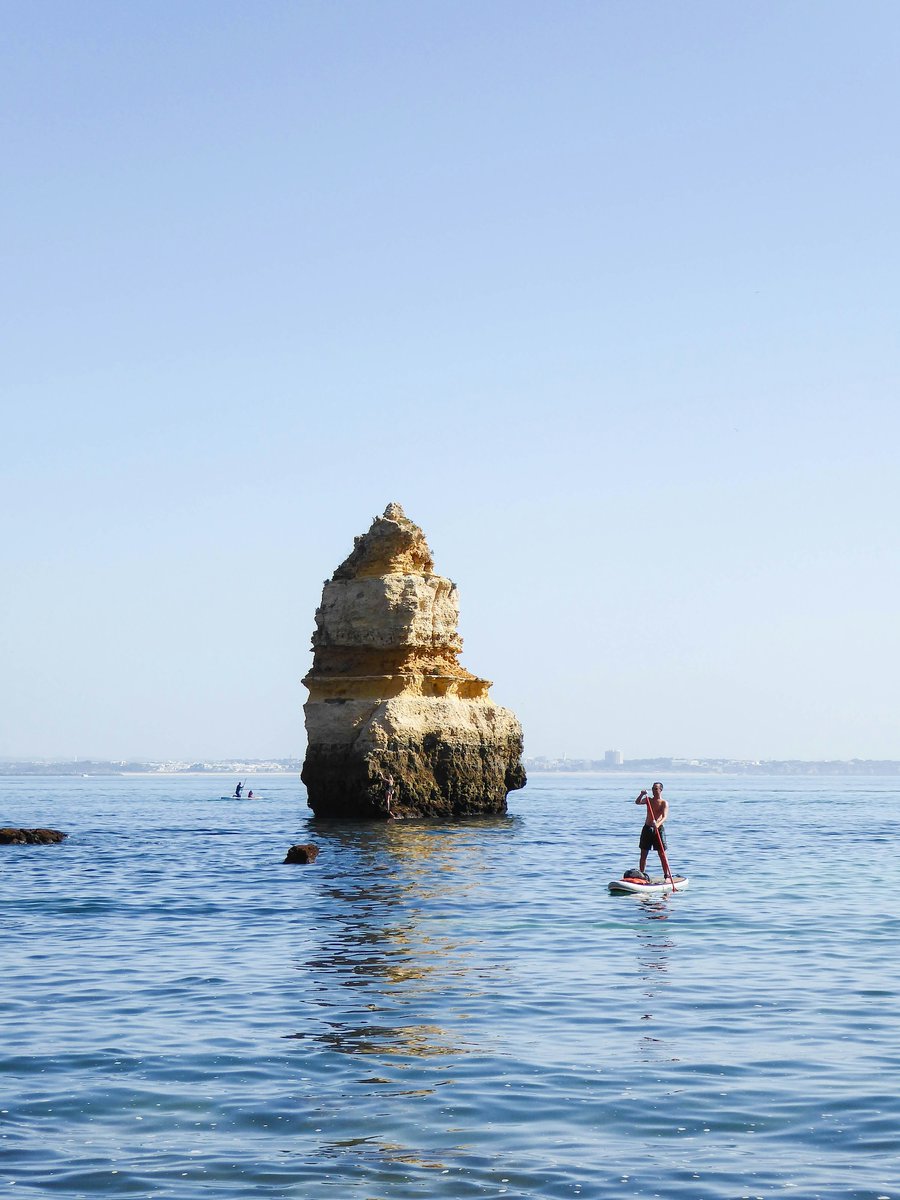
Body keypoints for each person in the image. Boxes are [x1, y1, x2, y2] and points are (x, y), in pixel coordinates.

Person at [635, 781, 668, 875]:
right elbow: (637, 802)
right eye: (653, 788)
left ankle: (666, 875)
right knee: (643, 853)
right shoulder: (648, 800)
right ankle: (641, 875)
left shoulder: (664, 803)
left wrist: (658, 824)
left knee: (661, 853)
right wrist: (641, 794)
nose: (654, 790)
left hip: (658, 829)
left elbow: (665, 816)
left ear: (661, 790)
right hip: (647, 828)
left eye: (656, 789)